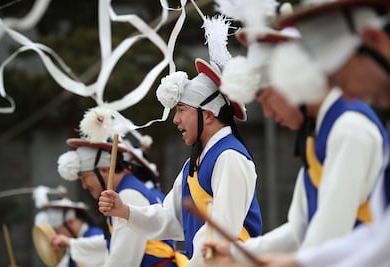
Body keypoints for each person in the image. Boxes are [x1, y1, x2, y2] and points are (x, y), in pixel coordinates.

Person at [202, 0, 390, 264]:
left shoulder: (349, 128)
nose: (267, 112)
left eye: (266, 97)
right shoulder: (316, 137)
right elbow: (302, 229)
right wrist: (236, 252)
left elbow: (331, 236)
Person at [98, 58, 263, 267]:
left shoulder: (230, 156)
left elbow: (223, 230)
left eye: (182, 110)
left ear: (209, 114)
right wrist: (126, 211)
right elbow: (171, 217)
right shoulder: (194, 164)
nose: (175, 119)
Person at [57, 110, 188, 267]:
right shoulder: (127, 191)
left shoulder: (129, 195)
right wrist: (72, 244)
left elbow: (124, 258)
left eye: (85, 177)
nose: (84, 186)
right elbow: (114, 241)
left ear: (104, 170)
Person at [34, 197, 104, 267]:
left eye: (56, 229)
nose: (56, 234)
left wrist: (69, 242)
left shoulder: (95, 236)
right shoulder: (75, 244)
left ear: (70, 222)